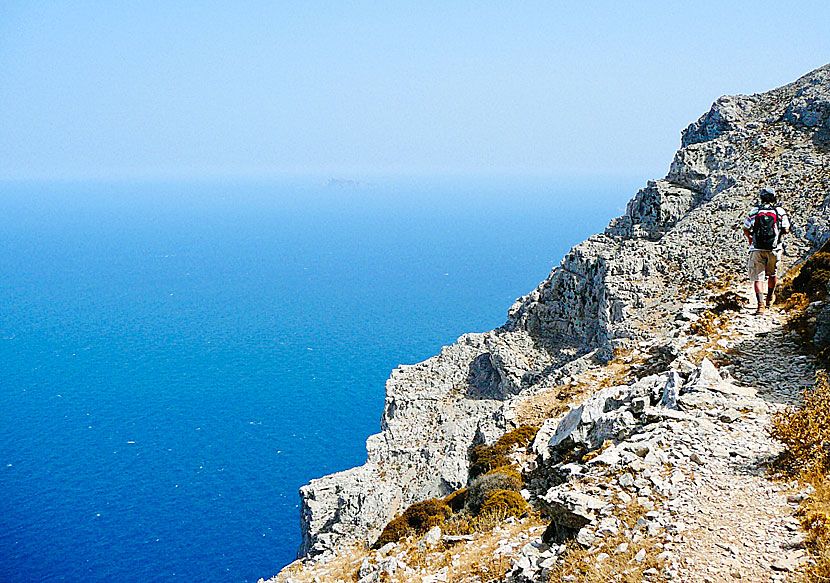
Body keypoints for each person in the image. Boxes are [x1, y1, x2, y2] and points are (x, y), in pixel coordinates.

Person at [743, 187, 790, 314]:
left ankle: (760, 306)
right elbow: (786, 228)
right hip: (774, 248)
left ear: (761, 198)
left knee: (758, 277)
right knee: (772, 274)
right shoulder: (779, 211)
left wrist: (750, 239)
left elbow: (746, 228)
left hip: (757, 249)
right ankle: (769, 297)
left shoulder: (755, 211)